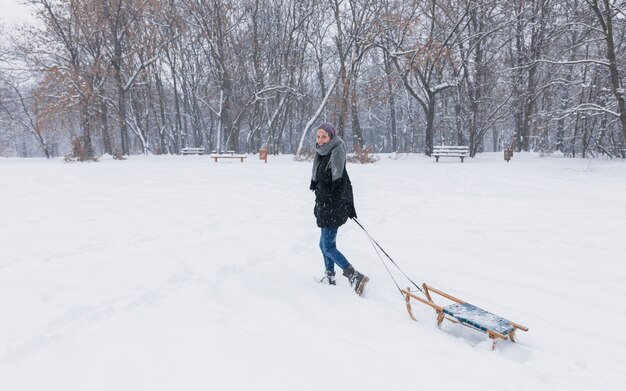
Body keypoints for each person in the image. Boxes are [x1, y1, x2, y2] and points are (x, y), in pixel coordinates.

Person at [309, 122, 369, 296]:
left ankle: (354, 275)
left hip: (332, 208)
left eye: (324, 136)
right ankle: (330, 276)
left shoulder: (336, 153)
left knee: (328, 246)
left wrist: (345, 206)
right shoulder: (321, 154)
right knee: (324, 244)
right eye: (318, 136)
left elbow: (342, 184)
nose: (320, 140)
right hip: (324, 206)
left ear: (331, 137)